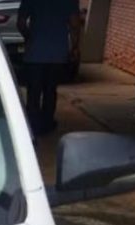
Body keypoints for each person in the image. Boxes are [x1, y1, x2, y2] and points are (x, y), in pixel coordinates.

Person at [17, 0, 82, 136]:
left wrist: (30, 38)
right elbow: (75, 24)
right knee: (50, 90)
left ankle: (33, 124)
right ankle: (47, 123)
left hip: (35, 53)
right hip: (57, 54)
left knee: (33, 92)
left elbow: (21, 23)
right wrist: (75, 46)